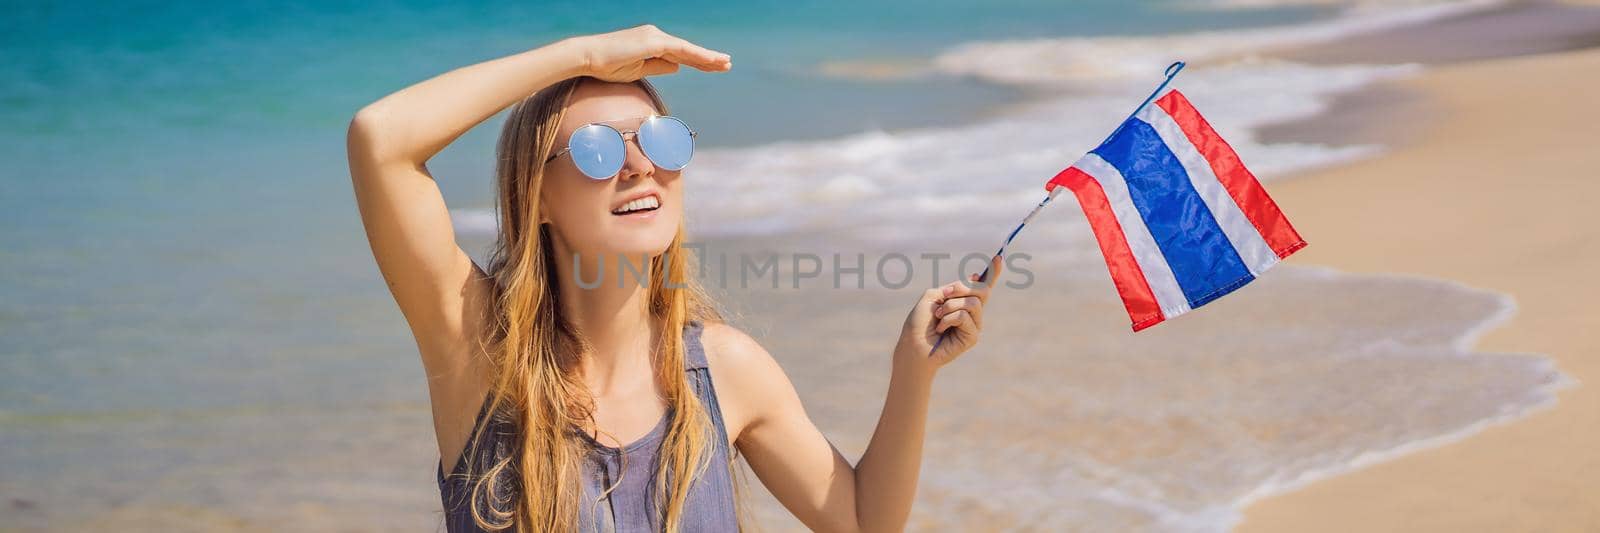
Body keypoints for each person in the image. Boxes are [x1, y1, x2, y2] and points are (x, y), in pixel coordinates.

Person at [346, 24, 1000, 533]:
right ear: (536, 196)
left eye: (660, 139)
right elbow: (381, 139)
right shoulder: (481, 353)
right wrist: (585, 54)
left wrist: (912, 373)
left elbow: (860, 518)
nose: (639, 165)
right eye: (598, 148)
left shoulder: (722, 370)